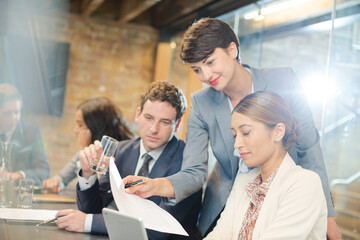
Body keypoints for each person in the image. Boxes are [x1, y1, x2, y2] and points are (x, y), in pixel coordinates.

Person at [123, 18, 341, 239]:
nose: (206, 76)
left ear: (232, 49)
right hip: (227, 199)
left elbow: (309, 147)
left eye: (210, 62)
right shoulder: (201, 103)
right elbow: (194, 170)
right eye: (197, 69)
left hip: (281, 193)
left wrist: (327, 215)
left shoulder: (283, 80)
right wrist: (156, 185)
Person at [55, 82, 202, 240]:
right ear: (138, 114)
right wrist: (87, 174)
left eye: (165, 122)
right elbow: (93, 209)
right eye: (148, 118)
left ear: (177, 124)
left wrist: (88, 222)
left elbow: (156, 230)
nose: (153, 128)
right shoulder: (121, 150)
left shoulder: (188, 164)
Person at [204, 91, 327, 239]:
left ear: (278, 131)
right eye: (235, 135)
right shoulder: (244, 180)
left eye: (246, 132)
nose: (237, 144)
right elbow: (220, 235)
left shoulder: (304, 183)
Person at [42, 97, 133, 193]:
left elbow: (97, 191)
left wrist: (84, 149)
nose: (75, 130)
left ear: (95, 127)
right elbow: (62, 177)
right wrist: (55, 183)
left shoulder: (120, 152)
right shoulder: (86, 149)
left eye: (80, 125)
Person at [0, 83, 49, 185]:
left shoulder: (32, 132)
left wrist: (17, 175)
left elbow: (44, 171)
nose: (13, 118)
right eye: (7, 113)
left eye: (17, 112)